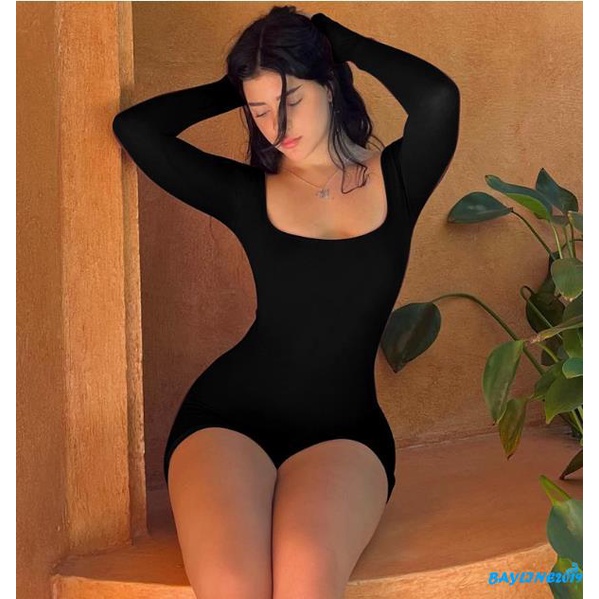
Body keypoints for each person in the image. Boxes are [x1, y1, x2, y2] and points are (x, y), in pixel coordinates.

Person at [112, 5, 460, 598]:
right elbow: (137, 130)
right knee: (231, 583)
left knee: (307, 578)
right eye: (260, 111)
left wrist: (342, 43)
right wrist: (237, 84)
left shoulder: (398, 178)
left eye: (291, 100)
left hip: (344, 430)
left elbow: (438, 99)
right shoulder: (248, 193)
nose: (277, 126)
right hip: (227, 421)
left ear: (330, 85)